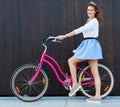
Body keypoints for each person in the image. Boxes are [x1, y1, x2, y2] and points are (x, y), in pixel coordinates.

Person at [56, 1, 103, 103]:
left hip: (90, 44)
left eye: (91, 10)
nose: (89, 11)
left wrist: (64, 36)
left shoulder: (93, 21)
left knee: (71, 61)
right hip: (90, 44)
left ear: (95, 11)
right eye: (88, 10)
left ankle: (75, 84)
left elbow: (80, 30)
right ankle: (97, 97)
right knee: (95, 72)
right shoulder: (89, 20)